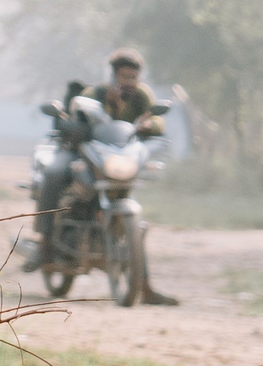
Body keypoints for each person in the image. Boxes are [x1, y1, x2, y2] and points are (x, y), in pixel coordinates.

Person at [26, 48, 170, 279]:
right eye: (125, 77)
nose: (130, 82)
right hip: (84, 152)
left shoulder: (142, 96)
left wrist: (148, 125)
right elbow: (74, 119)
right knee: (54, 173)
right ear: (113, 75)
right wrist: (77, 126)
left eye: (134, 77)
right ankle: (44, 243)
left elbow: (157, 122)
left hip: (119, 158)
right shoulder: (95, 94)